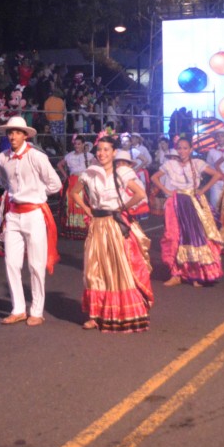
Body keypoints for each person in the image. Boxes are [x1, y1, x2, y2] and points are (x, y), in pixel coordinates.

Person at [69, 136, 153, 332]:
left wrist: (123, 208)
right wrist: (87, 209)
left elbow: (140, 194)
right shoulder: (89, 173)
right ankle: (94, 314)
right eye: (99, 150)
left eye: (107, 149)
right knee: (93, 270)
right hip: (97, 225)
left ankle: (121, 311)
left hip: (114, 225)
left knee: (117, 268)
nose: (102, 153)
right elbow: (74, 193)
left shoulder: (122, 172)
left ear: (114, 152)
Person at [0, 115, 63, 326]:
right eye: (10, 132)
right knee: (11, 263)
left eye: (17, 132)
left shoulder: (36, 156)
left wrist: (37, 195)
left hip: (34, 213)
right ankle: (18, 308)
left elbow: (56, 184)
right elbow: (4, 182)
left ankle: (37, 309)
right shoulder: (2, 158)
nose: (13, 136)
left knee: (36, 264)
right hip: (13, 214)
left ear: (25, 135)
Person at [151, 134, 224, 287]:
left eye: (185, 148)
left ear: (191, 149)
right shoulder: (171, 164)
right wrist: (167, 191)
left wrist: (203, 190)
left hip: (192, 202)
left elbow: (217, 175)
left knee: (194, 237)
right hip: (176, 202)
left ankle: (195, 273)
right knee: (173, 236)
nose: (182, 151)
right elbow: (154, 178)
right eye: (179, 148)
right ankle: (176, 274)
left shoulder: (197, 163)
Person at [57, 135, 96, 240]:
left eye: (79, 144)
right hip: (72, 181)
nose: (77, 146)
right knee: (70, 204)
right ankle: (72, 229)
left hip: (84, 181)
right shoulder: (69, 155)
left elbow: (96, 167)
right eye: (75, 144)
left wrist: (89, 176)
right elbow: (59, 164)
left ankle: (85, 227)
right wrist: (66, 175)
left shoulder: (89, 155)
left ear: (83, 144)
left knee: (84, 203)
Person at [43, 87, 68, 154]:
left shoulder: (47, 101)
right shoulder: (61, 101)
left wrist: (48, 120)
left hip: (52, 120)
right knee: (62, 136)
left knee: (54, 137)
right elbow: (64, 111)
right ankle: (64, 150)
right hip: (60, 120)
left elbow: (46, 113)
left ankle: (56, 150)